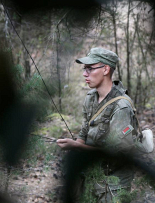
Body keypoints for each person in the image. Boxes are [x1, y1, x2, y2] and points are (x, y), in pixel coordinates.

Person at [57, 47, 138, 202]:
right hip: (92, 175)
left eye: (90, 69)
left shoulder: (121, 107)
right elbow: (84, 132)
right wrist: (77, 144)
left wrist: (76, 147)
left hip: (113, 185)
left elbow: (117, 154)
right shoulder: (91, 97)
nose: (84, 74)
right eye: (84, 69)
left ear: (106, 69)